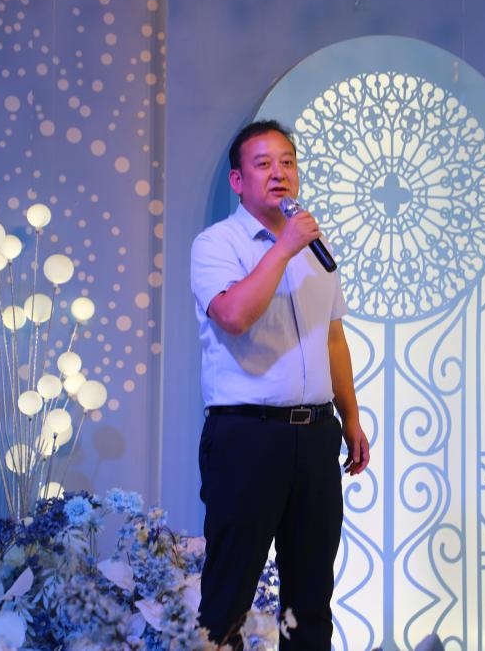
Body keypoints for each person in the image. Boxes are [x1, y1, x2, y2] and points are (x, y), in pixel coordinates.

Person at [190, 119, 370, 649]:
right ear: (238, 180)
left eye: (287, 162)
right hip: (247, 435)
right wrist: (284, 247)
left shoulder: (315, 247)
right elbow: (234, 316)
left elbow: (332, 337)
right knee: (228, 596)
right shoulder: (216, 244)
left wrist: (351, 418)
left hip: (315, 435)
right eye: (264, 164)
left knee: (311, 596)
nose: (279, 173)